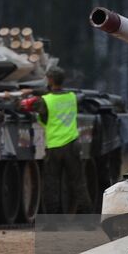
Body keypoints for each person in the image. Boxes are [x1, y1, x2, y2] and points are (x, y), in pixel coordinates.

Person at [36, 67, 89, 214]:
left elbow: (42, 119)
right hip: (72, 144)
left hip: (54, 147)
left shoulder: (46, 100)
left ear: (50, 80)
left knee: (52, 185)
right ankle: (88, 218)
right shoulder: (71, 97)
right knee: (79, 183)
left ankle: (53, 220)